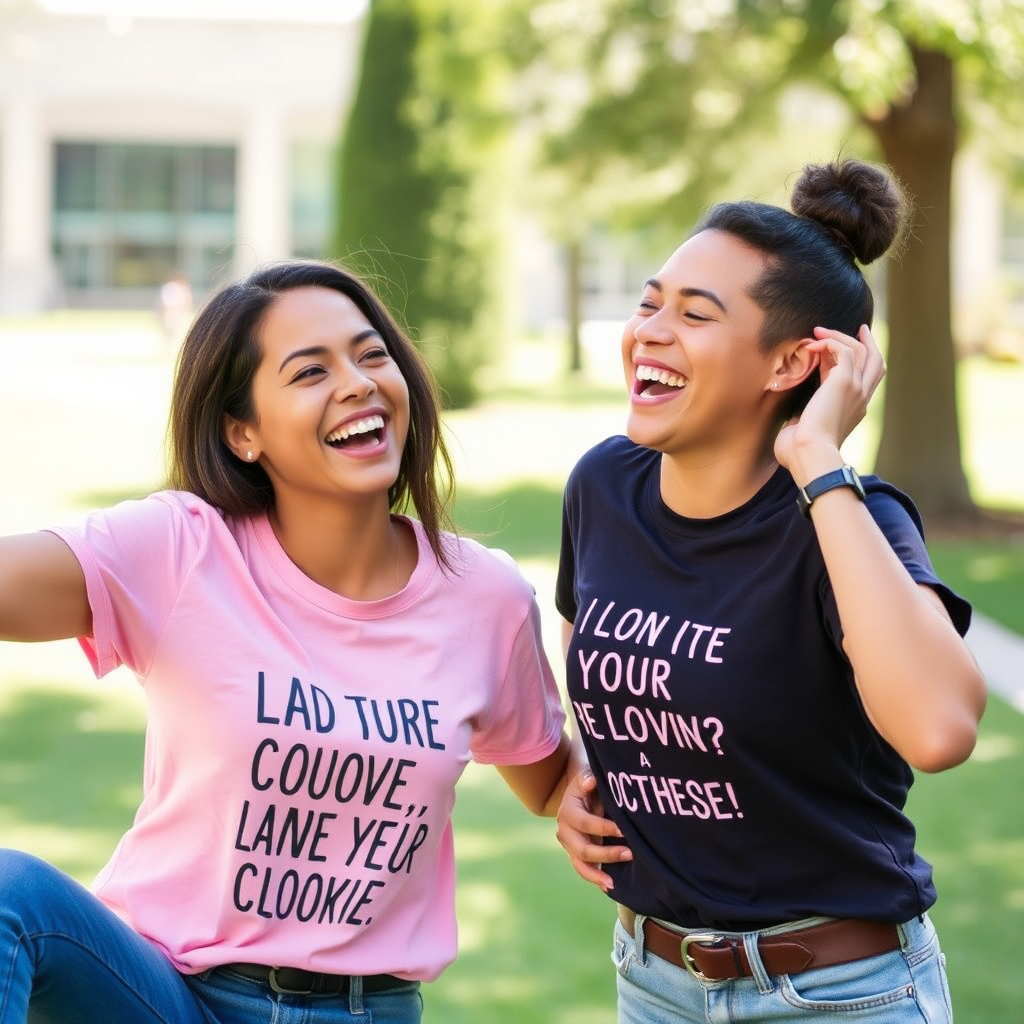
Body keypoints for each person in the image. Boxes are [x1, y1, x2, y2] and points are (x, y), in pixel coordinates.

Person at [0, 260, 574, 1024]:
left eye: (372, 355)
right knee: (12, 897)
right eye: (311, 371)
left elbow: (553, 782)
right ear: (244, 433)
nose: (359, 382)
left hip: (365, 1011)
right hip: (165, 994)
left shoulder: (486, 598)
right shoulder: (182, 550)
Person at [553, 158, 986, 1024]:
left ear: (793, 361)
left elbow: (940, 729)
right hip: (654, 981)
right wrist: (583, 776)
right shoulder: (604, 486)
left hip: (841, 994)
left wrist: (819, 464)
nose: (650, 332)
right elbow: (599, 664)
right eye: (650, 303)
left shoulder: (853, 523)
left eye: (694, 313)